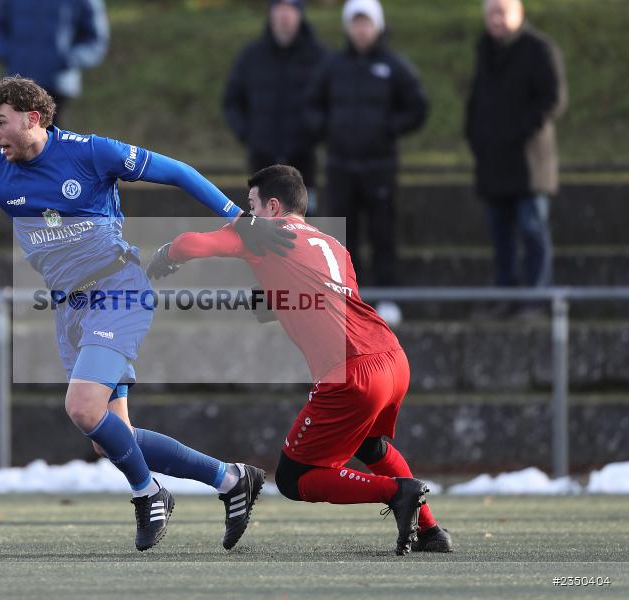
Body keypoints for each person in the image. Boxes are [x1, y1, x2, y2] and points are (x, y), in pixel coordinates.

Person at [0, 77, 296, 551]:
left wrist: (238, 219)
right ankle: (230, 479)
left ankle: (149, 493)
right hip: (69, 308)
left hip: (117, 290)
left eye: (0, 123)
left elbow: (177, 171)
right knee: (109, 436)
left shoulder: (91, 153)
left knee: (81, 408)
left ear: (32, 118)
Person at [147, 165, 451, 555]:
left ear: (272, 207)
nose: (247, 213)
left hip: (353, 370)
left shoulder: (264, 233)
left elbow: (191, 243)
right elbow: (321, 297)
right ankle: (430, 532)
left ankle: (397, 493)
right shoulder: (332, 244)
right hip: (391, 356)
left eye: (251, 205)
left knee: (295, 478)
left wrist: (164, 256)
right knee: (371, 446)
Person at [306, 0, 428, 326]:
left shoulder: (393, 66)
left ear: (377, 26)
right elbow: (311, 106)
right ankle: (348, 297)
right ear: (348, 27)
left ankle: (388, 295)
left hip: (379, 167)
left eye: (367, 23)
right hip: (340, 165)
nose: (361, 30)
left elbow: (418, 107)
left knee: (382, 232)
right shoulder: (333, 66)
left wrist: (390, 128)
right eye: (356, 23)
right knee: (344, 237)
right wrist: (328, 129)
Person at [466, 0, 567, 314]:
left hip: (529, 164)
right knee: (502, 238)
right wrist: (476, 136)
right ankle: (506, 298)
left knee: (533, 231)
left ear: (519, 14)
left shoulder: (538, 48)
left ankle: (536, 301)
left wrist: (521, 130)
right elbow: (477, 100)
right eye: (491, 13)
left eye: (502, 12)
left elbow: (553, 99)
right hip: (495, 163)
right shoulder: (485, 50)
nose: (496, 19)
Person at [222, 0, 328, 213]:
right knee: (261, 221)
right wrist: (249, 134)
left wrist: (315, 131)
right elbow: (232, 100)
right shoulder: (252, 56)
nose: (284, 16)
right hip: (262, 158)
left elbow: (331, 101)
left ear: (299, 14)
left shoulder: (319, 56)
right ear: (271, 13)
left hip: (303, 159)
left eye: (290, 9)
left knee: (304, 222)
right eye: (279, 8)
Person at [0, 0, 109, 127]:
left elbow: (95, 41)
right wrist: (9, 54)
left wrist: (67, 60)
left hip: (56, 85)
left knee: (48, 138)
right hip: (17, 82)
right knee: (12, 136)